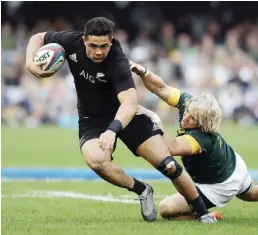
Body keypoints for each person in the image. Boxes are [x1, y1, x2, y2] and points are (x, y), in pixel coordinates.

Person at [25, 17, 218, 223]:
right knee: (96, 161)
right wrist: (29, 63)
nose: (99, 51)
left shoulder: (117, 61)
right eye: (93, 46)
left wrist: (112, 130)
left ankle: (201, 211)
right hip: (92, 119)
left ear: (111, 41)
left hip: (128, 116)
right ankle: (142, 190)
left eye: (104, 46)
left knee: (168, 165)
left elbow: (129, 103)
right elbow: (38, 37)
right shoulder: (70, 41)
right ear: (83, 40)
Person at [130, 60, 258, 220]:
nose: (186, 118)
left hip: (220, 185)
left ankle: (205, 216)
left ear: (202, 123)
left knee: (166, 209)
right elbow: (160, 88)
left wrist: (155, 118)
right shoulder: (190, 103)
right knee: (253, 192)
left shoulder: (200, 137)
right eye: (188, 112)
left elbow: (170, 147)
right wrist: (144, 72)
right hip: (233, 164)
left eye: (193, 118)